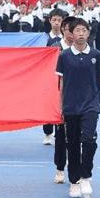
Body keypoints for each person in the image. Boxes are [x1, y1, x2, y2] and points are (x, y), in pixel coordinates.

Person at [56, 18, 100, 198]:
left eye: (84, 30)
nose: (81, 33)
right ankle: (74, 181)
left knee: (88, 140)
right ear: (71, 34)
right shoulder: (64, 56)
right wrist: (59, 107)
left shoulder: (96, 55)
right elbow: (61, 83)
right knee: (72, 144)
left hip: (91, 104)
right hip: (70, 105)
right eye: (78, 30)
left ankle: (86, 176)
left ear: (88, 34)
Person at [49, 16, 76, 184]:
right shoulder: (55, 49)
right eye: (70, 30)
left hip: (79, 98)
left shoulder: (84, 49)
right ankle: (60, 168)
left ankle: (76, 170)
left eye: (77, 30)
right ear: (64, 30)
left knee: (77, 137)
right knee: (60, 136)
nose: (73, 34)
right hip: (60, 97)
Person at [43, 9, 65, 145]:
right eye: (54, 20)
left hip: (63, 76)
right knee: (48, 103)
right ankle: (47, 132)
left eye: (59, 20)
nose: (56, 23)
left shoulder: (67, 39)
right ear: (50, 21)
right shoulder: (44, 39)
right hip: (47, 76)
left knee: (61, 104)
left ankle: (60, 133)